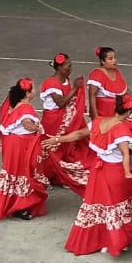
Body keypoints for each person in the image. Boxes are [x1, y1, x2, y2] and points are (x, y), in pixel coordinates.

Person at [65, 93, 132, 256]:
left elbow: (79, 134)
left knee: (99, 204)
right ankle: (116, 242)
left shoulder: (99, 122)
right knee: (119, 206)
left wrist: (57, 139)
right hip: (115, 172)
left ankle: (99, 241)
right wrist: (127, 172)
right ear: (129, 112)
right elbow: (125, 154)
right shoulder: (122, 130)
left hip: (98, 172)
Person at [0, 79, 50, 221]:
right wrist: (36, 128)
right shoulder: (26, 108)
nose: (35, 90)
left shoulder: (14, 105)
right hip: (20, 147)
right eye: (33, 88)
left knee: (14, 173)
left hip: (12, 145)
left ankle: (14, 204)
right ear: (28, 93)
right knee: (24, 173)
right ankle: (20, 206)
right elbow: (26, 123)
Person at [37, 54, 90, 195]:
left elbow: (68, 100)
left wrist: (78, 105)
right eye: (68, 66)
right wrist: (75, 89)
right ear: (60, 68)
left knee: (63, 148)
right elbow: (60, 102)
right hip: (53, 121)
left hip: (64, 120)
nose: (70, 69)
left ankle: (58, 176)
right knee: (51, 149)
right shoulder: (51, 83)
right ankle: (46, 177)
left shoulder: (65, 80)